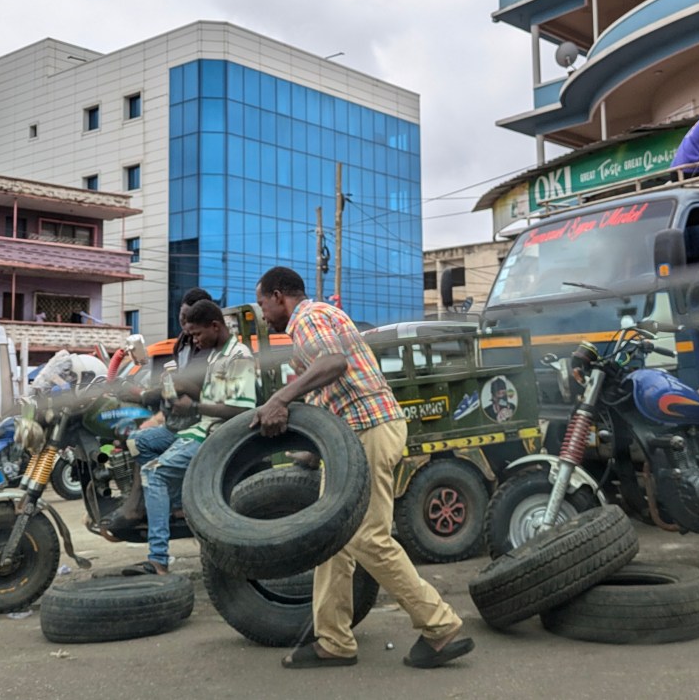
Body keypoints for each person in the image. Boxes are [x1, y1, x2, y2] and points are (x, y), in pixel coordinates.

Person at [252, 266, 474, 670]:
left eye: (262, 303)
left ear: (279, 295)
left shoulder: (308, 318)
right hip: (352, 436)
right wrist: (316, 450)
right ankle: (333, 640)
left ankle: (440, 625)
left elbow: (333, 363)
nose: (262, 314)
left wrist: (280, 399)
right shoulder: (320, 317)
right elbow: (332, 388)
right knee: (331, 538)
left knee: (367, 537)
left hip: (367, 430)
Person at [121, 299, 256, 576]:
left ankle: (158, 558)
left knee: (153, 473)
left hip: (216, 435)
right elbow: (209, 396)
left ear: (215, 326)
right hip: (199, 428)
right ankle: (174, 504)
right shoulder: (215, 355)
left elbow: (241, 410)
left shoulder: (238, 357)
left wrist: (193, 407)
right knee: (139, 441)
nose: (194, 340)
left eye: (197, 334)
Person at [101, 288, 214, 534]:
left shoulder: (207, 346)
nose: (185, 326)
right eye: (182, 318)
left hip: (196, 422)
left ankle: (155, 509)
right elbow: (172, 380)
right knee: (135, 439)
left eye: (191, 321)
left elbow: (187, 384)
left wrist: (147, 395)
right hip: (175, 415)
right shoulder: (182, 343)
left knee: (154, 468)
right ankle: (146, 501)